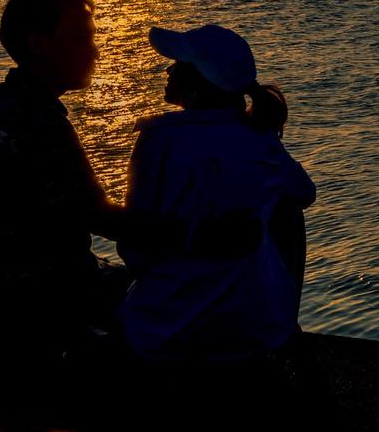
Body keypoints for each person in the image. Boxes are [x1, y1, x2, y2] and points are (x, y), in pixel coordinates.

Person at [0, 0, 260, 360]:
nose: (95, 51)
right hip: (29, 290)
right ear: (38, 44)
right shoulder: (35, 122)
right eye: (81, 39)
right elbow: (99, 216)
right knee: (176, 293)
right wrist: (204, 236)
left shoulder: (2, 107)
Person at [118, 24, 316, 359]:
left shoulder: (158, 139)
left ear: (196, 85)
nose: (168, 70)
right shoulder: (260, 140)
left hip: (164, 330)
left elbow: (134, 245)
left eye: (178, 65)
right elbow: (305, 192)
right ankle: (282, 317)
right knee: (287, 207)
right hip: (255, 330)